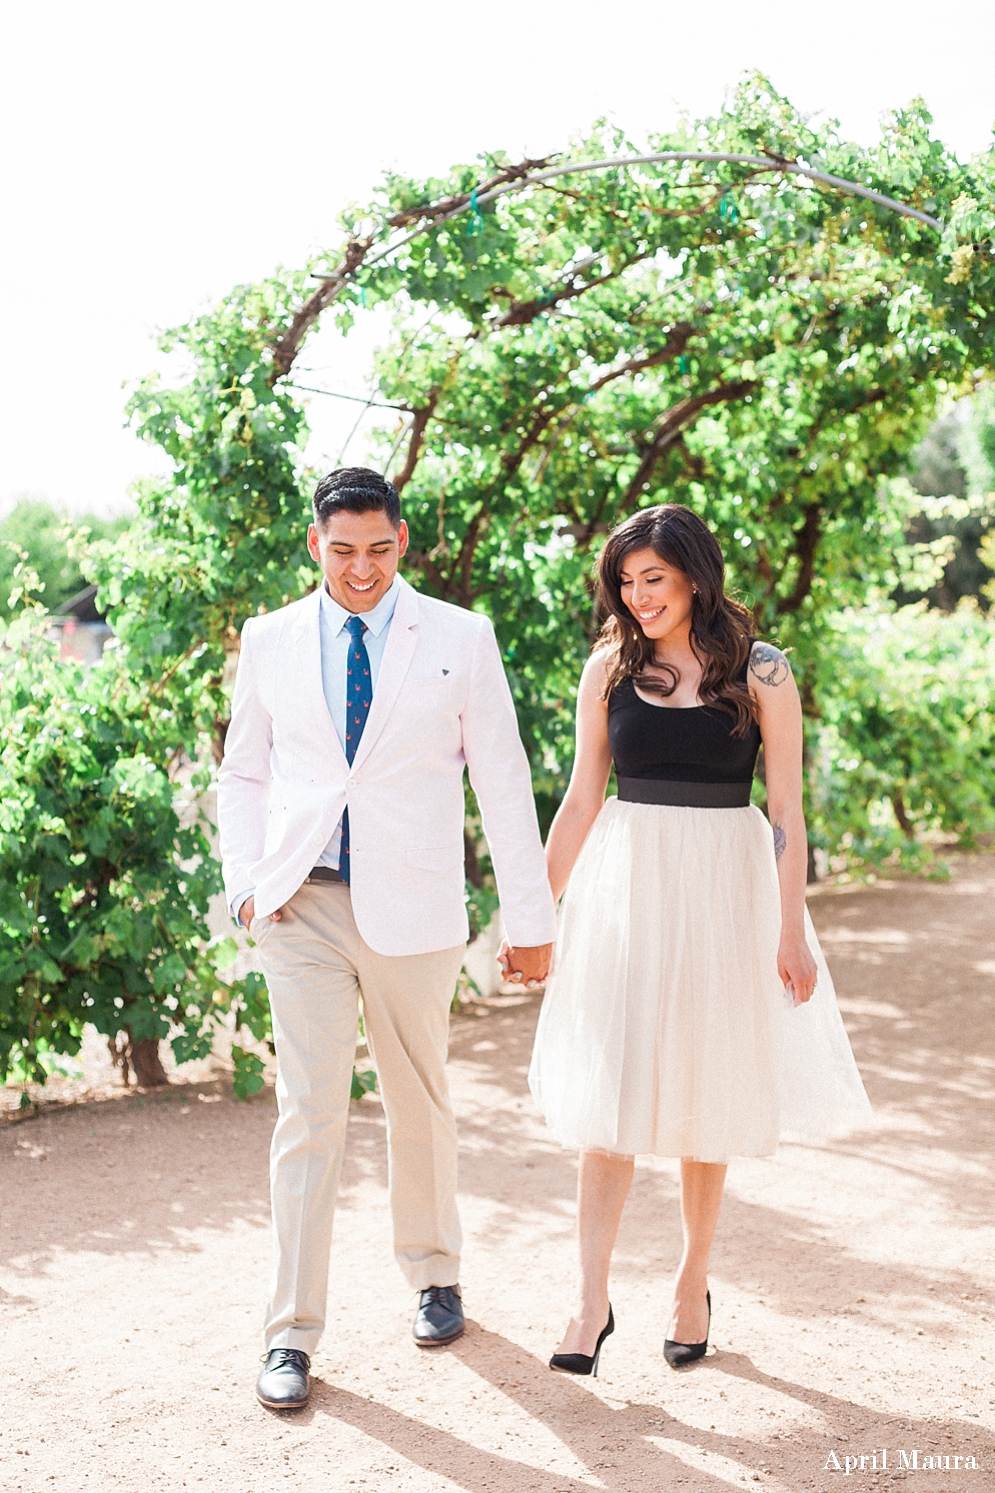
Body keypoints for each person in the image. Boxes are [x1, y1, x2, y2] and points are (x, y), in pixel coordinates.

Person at [218, 467, 556, 1410]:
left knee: (420, 1100)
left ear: (400, 539)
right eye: (341, 549)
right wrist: (245, 886)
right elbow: (241, 773)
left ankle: (435, 1274)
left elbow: (501, 778)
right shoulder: (270, 639)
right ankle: (289, 1333)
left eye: (377, 548)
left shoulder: (460, 636)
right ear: (315, 543)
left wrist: (528, 921)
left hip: (413, 912)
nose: (360, 568)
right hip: (302, 907)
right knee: (308, 1113)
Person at [528, 504, 871, 1377]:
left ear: (693, 576)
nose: (639, 597)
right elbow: (580, 796)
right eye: (626, 582)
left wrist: (791, 931)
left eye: (655, 579)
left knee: (703, 1088)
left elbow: (787, 811)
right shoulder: (608, 664)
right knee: (609, 1097)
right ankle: (589, 1297)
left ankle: (691, 1282)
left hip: (727, 887)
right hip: (628, 885)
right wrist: (532, 909)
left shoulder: (763, 669)